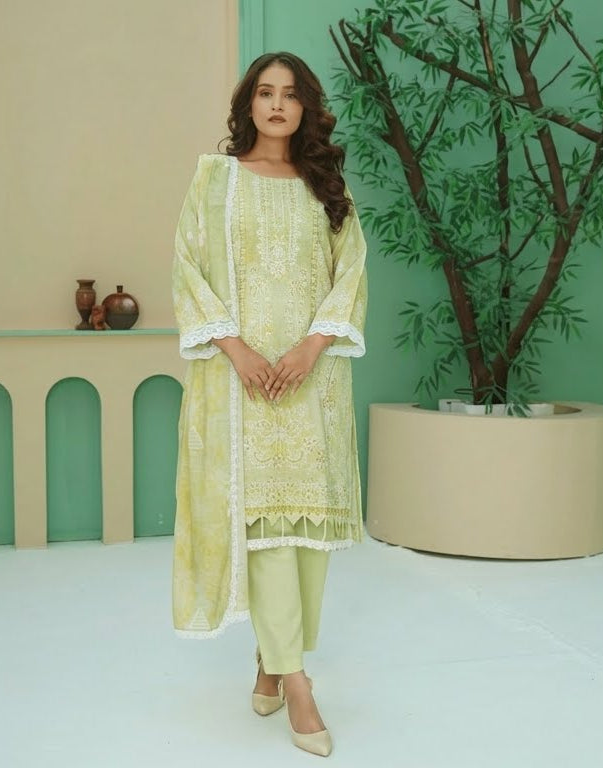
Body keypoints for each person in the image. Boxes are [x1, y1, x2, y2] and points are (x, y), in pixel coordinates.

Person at [171, 51, 367, 758]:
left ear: (307, 108)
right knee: (261, 533)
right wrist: (240, 351)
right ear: (247, 104)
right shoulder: (215, 180)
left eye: (290, 95)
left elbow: (350, 275)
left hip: (310, 384)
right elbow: (187, 268)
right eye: (265, 92)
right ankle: (300, 681)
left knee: (306, 538)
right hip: (241, 385)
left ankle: (271, 660)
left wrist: (310, 349)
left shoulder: (327, 188)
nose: (277, 105)